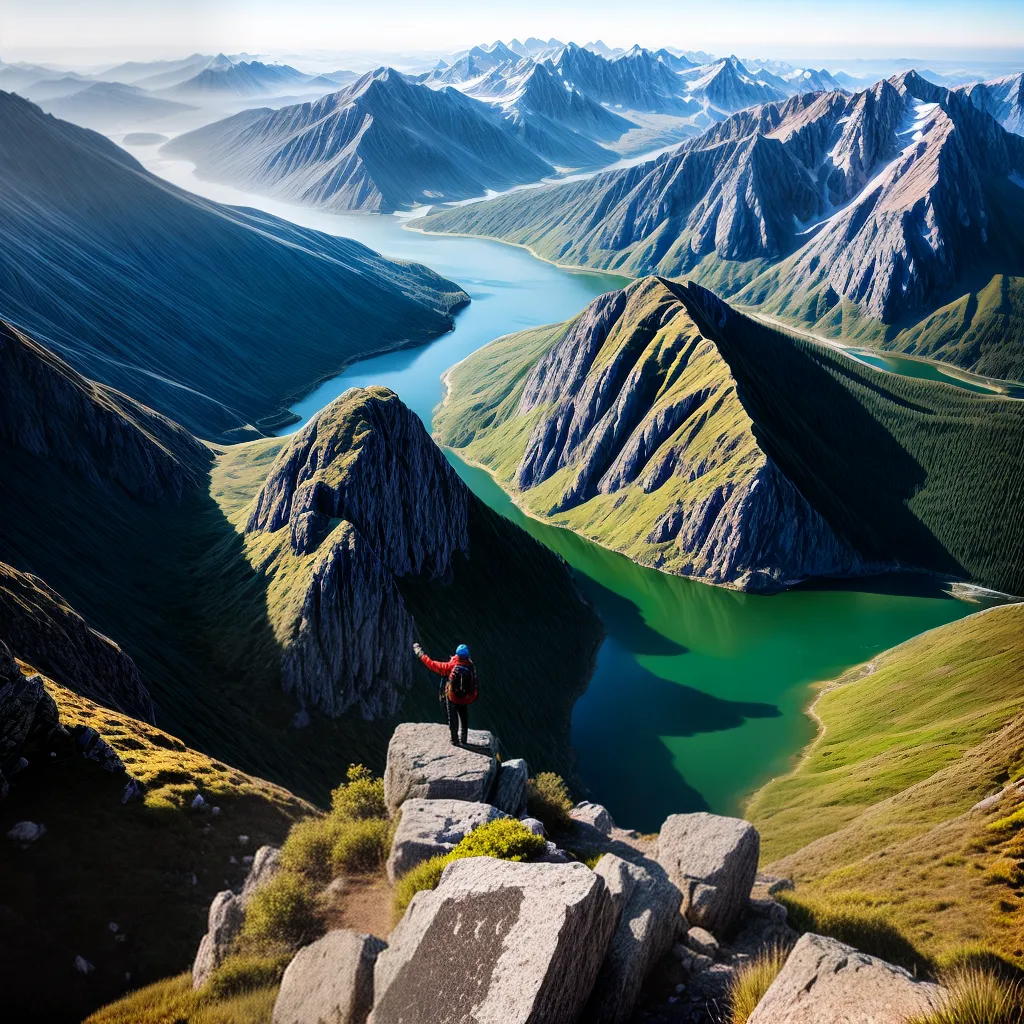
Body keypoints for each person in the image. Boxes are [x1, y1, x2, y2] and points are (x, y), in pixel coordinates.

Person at [412, 641, 478, 746]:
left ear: (457, 655)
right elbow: (474, 683)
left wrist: (420, 653)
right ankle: (464, 739)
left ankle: (454, 740)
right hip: (465, 698)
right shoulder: (471, 666)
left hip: (452, 697)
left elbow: (432, 664)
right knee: (463, 716)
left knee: (452, 717)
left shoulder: (451, 666)